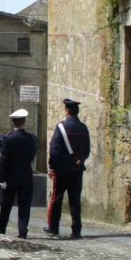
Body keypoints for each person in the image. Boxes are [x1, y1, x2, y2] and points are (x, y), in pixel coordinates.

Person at [45, 98, 91, 239]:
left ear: (66, 111)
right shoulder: (83, 128)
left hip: (61, 170)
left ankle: (53, 228)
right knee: (75, 200)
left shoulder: (61, 127)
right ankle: (76, 230)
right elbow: (87, 150)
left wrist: (52, 167)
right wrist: (79, 160)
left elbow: (54, 150)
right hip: (76, 170)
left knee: (57, 198)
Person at [0, 109, 38, 239]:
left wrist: (2, 178)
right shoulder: (32, 138)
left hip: (11, 176)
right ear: (24, 121)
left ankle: (1, 228)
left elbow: (4, 160)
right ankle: (22, 230)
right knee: (24, 205)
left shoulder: (9, 138)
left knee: (6, 203)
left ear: (13, 122)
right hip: (26, 175)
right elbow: (32, 155)